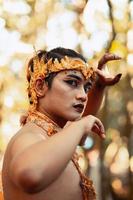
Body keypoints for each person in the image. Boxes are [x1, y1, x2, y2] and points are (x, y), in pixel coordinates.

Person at [2, 47, 121, 200]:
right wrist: (81, 125)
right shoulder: (30, 136)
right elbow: (29, 173)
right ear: (40, 87)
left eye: (86, 87)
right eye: (72, 82)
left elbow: (79, 123)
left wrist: (98, 86)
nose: (84, 96)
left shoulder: (54, 133)